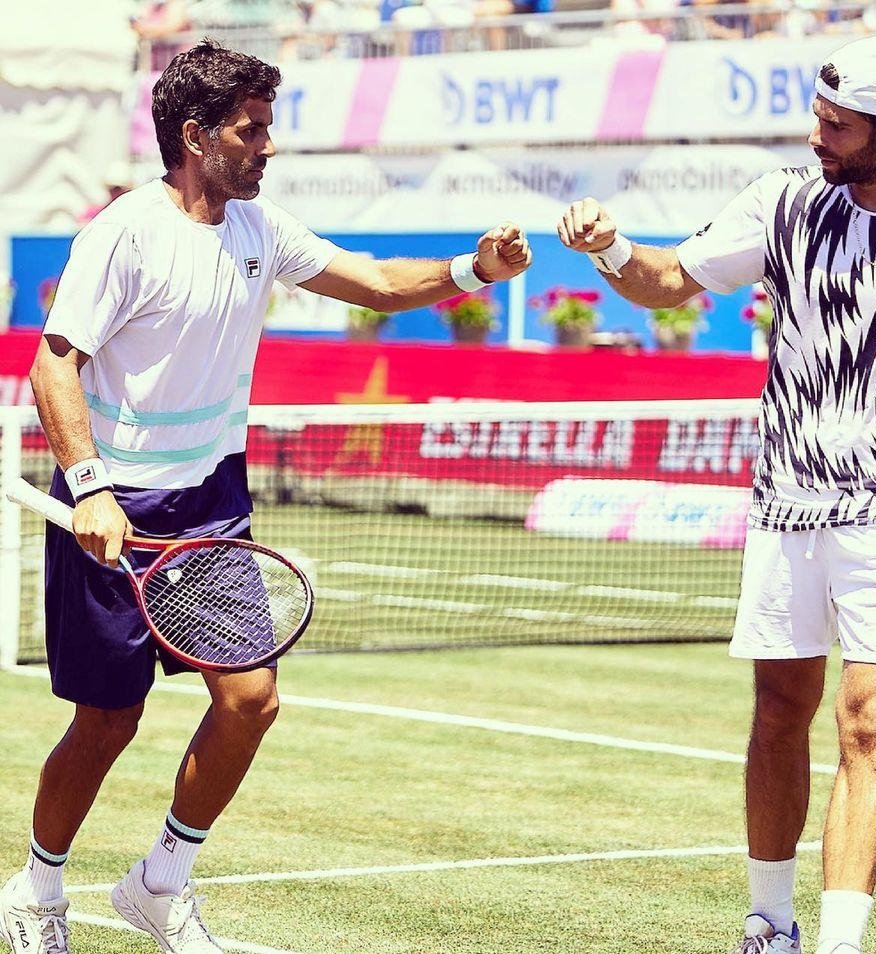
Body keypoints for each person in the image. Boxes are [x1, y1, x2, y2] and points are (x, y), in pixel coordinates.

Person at [0, 38, 530, 954]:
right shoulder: (122, 232)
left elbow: (372, 281)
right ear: (198, 136)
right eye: (253, 130)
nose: (269, 146)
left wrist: (473, 270)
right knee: (106, 723)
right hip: (113, 512)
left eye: (269, 127)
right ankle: (39, 885)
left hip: (211, 503)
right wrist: (89, 486)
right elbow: (56, 365)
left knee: (250, 700)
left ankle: (161, 881)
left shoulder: (260, 229)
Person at [557, 35, 876, 954]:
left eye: (837, 126)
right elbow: (671, 282)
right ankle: (769, 921)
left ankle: (840, 944)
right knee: (779, 714)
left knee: (870, 719)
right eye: (818, 118)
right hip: (788, 505)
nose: (817, 137)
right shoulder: (784, 202)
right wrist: (613, 250)